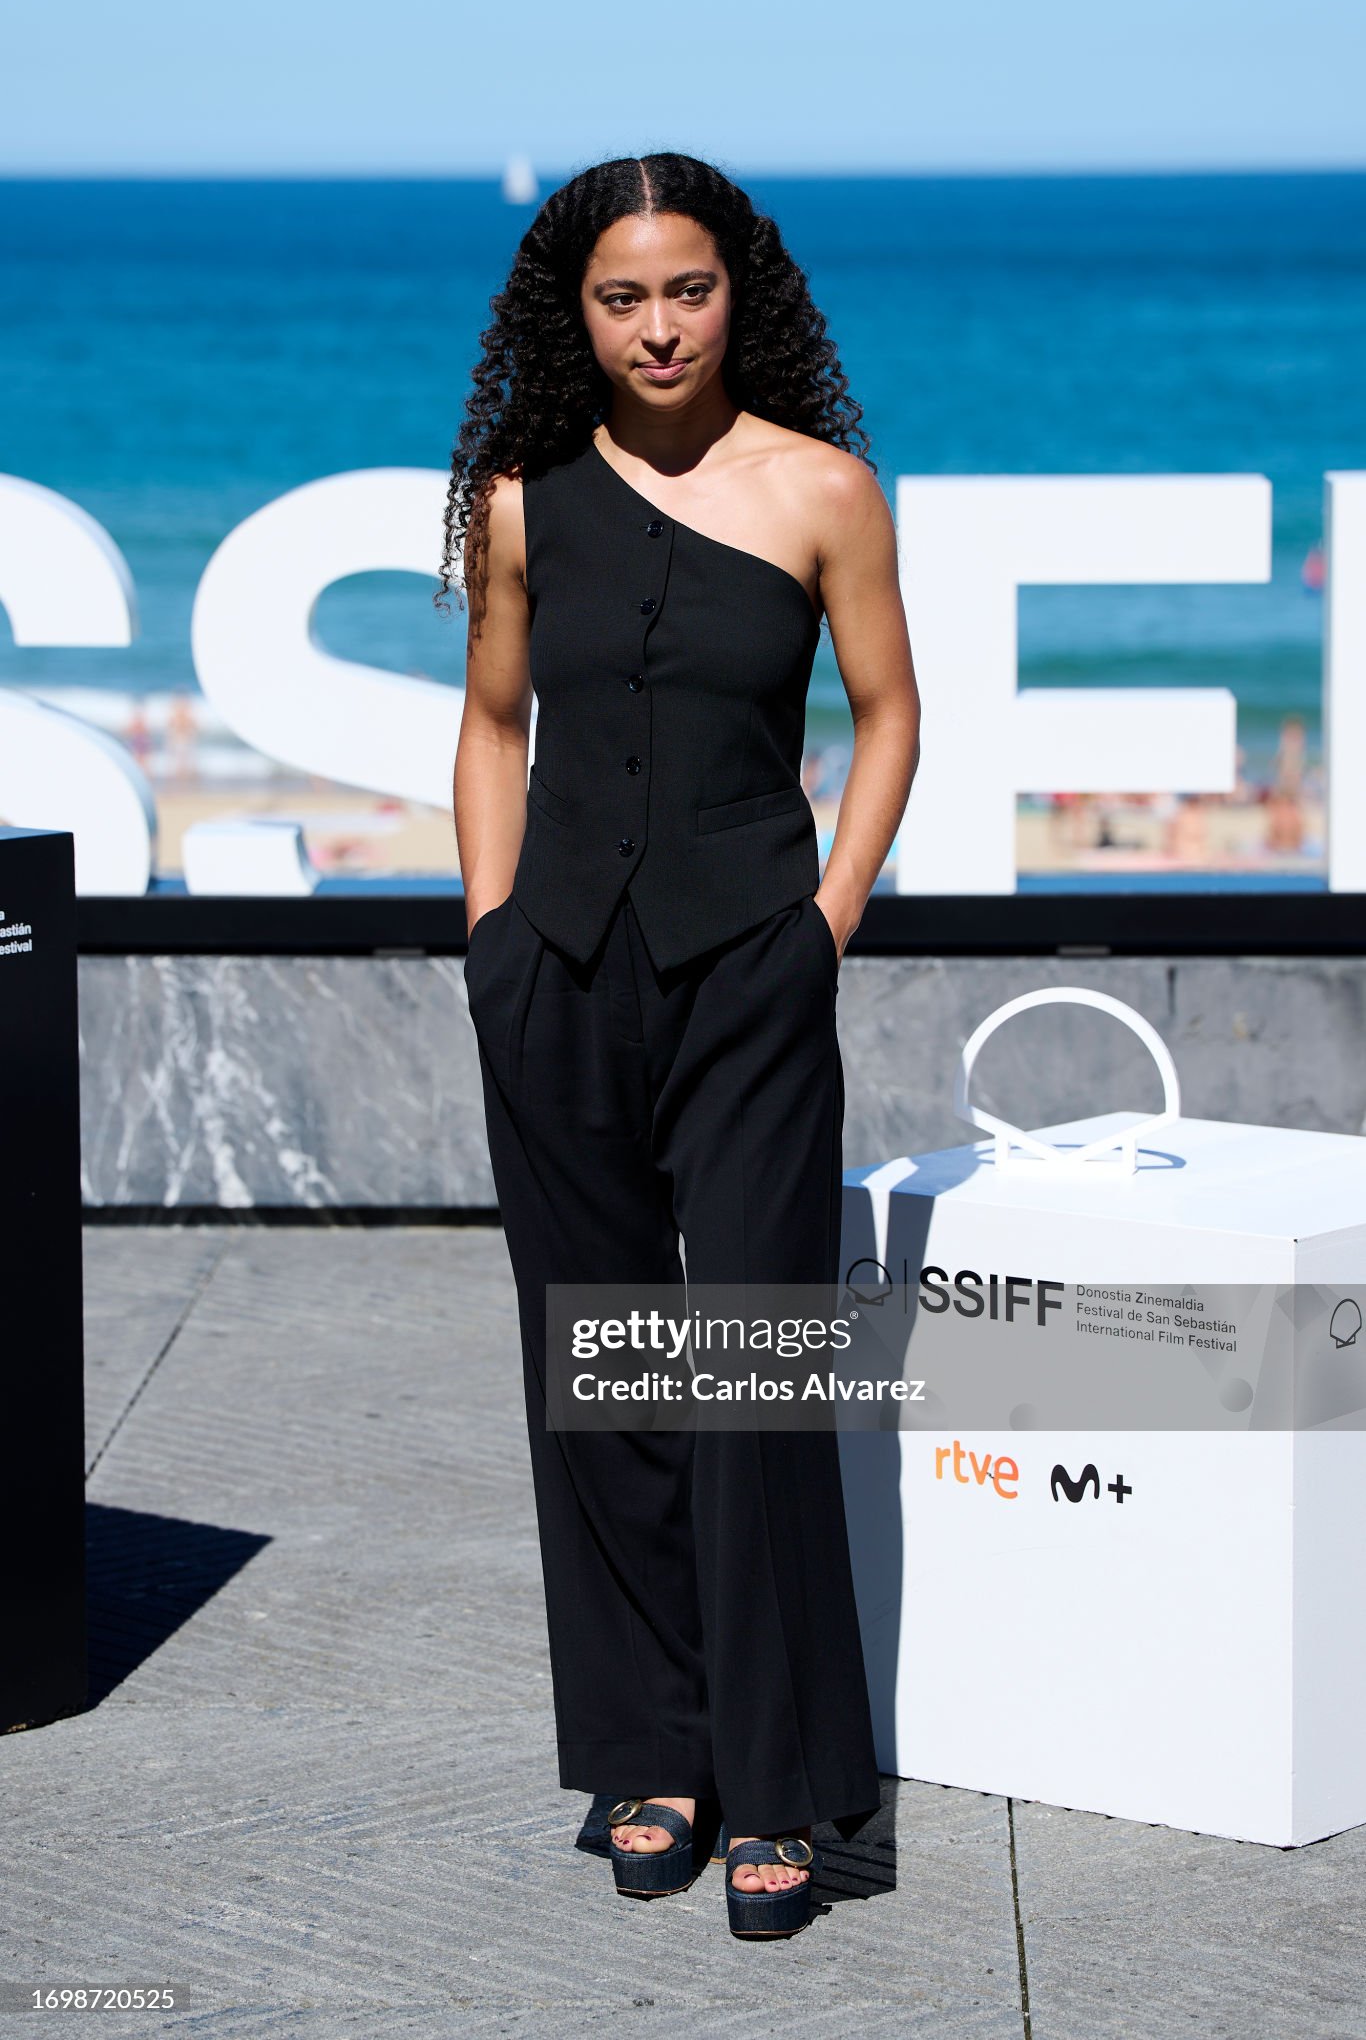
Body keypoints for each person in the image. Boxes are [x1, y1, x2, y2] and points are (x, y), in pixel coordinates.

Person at [440, 152, 920, 1939]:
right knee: (608, 1374)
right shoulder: (519, 504)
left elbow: (888, 715)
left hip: (749, 979)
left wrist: (825, 923)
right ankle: (655, 1751)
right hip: (554, 978)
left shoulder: (822, 493)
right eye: (622, 297)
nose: (659, 328)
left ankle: (784, 1784)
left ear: (742, 295)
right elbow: (491, 726)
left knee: (753, 1379)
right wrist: (490, 937)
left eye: (689, 290)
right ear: (573, 313)